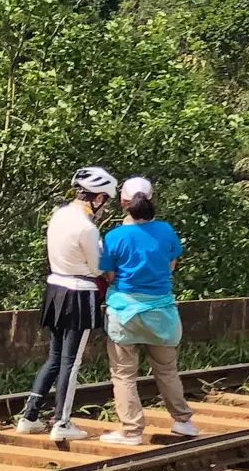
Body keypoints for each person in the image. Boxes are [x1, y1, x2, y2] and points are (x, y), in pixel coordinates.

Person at [15, 166, 118, 443]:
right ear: (97, 198)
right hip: (79, 293)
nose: (104, 206)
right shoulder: (87, 227)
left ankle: (30, 416)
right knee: (71, 363)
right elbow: (98, 268)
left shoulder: (59, 215)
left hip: (55, 289)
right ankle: (62, 421)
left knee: (54, 357)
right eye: (104, 200)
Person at [96, 176, 199, 445]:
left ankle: (131, 430)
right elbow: (171, 266)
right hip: (161, 312)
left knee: (123, 373)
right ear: (150, 199)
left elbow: (108, 274)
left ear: (123, 202)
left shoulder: (115, 236)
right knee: (167, 369)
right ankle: (183, 421)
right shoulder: (166, 231)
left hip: (124, 311)